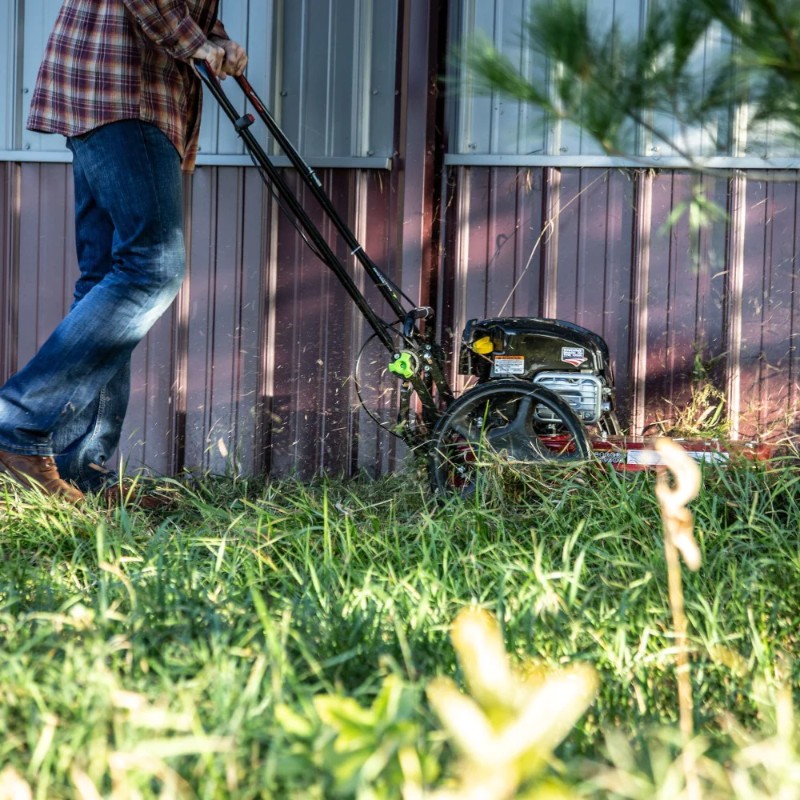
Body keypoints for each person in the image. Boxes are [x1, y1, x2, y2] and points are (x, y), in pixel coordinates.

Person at [0, 1, 247, 505]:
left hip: (113, 94)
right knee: (151, 267)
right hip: (123, 93)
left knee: (106, 279)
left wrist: (216, 39)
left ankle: (78, 470)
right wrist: (195, 42)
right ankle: (19, 421)